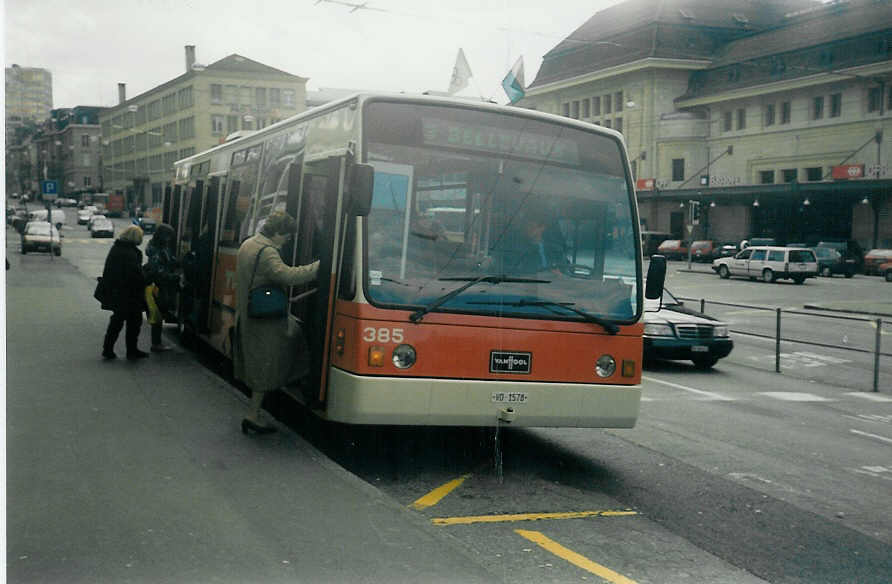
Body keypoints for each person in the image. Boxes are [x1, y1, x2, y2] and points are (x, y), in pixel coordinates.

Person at [234, 211, 320, 435]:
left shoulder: (249, 243)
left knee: (263, 362)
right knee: (276, 356)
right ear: (279, 231)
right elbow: (287, 276)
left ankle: (257, 410)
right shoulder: (267, 252)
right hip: (265, 321)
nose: (288, 241)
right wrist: (318, 267)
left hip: (250, 312)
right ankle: (253, 415)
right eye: (288, 236)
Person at [100, 225, 149, 360]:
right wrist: (146, 278)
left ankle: (108, 349)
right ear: (135, 237)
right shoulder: (130, 253)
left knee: (117, 322)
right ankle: (131, 351)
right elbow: (135, 275)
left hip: (117, 292)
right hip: (129, 294)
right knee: (133, 323)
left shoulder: (117, 248)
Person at [143, 223, 179, 352]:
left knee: (158, 315)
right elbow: (158, 271)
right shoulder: (156, 250)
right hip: (155, 287)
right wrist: (173, 277)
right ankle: (156, 344)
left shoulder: (160, 247)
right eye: (168, 236)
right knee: (157, 315)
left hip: (158, 286)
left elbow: (170, 260)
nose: (169, 239)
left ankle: (157, 343)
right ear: (162, 236)